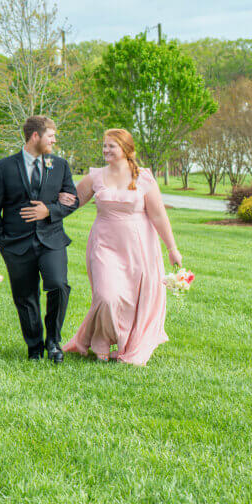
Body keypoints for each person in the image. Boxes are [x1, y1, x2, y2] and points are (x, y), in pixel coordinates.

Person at [61, 129, 182, 364]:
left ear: (126, 149)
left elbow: (158, 216)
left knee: (130, 299)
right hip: (103, 244)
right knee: (106, 295)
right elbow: (70, 202)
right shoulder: (95, 176)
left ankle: (125, 343)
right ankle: (101, 341)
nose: (106, 150)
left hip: (138, 247)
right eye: (104, 145)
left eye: (111, 146)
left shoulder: (144, 177)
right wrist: (49, 206)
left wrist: (172, 248)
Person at [0, 115, 78, 363]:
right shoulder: (4, 167)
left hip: (52, 239)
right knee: (25, 297)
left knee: (59, 285)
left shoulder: (59, 165)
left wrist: (50, 210)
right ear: (35, 136)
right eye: (51, 136)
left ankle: (53, 341)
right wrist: (1, 242)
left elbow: (72, 199)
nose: (54, 141)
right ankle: (34, 346)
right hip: (16, 244)